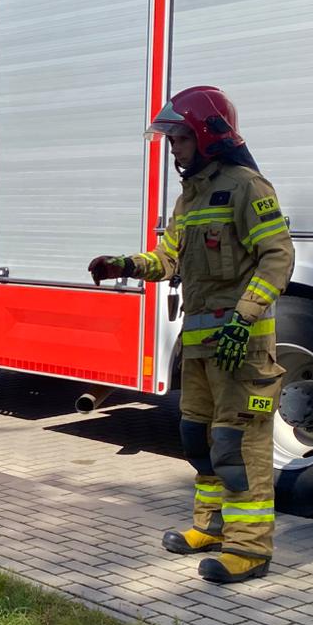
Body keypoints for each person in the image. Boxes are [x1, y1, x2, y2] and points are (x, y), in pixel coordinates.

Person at [88, 86, 295, 584]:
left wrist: (244, 318)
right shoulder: (190, 197)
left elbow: (278, 256)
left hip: (242, 349)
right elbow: (169, 259)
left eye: (179, 139)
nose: (173, 149)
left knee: (236, 445)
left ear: (206, 136)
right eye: (170, 140)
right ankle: (211, 527)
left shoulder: (247, 187)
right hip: (201, 347)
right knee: (198, 439)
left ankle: (249, 549)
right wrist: (124, 265)